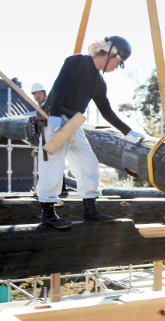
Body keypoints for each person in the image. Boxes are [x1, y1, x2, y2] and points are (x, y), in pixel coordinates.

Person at [38, 36, 145, 228]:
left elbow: (106, 110)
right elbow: (60, 85)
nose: (115, 68)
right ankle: (48, 212)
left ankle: (90, 210)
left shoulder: (98, 81)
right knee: (53, 166)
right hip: (55, 120)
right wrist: (53, 113)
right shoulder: (77, 61)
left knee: (88, 163)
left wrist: (128, 131)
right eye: (118, 62)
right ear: (111, 53)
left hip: (74, 123)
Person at [31, 83, 69, 198]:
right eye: (35, 94)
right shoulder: (40, 107)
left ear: (45, 94)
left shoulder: (49, 105)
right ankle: (58, 190)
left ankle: (60, 190)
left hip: (53, 137)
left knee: (53, 164)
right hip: (45, 138)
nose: (37, 96)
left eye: (39, 93)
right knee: (50, 165)